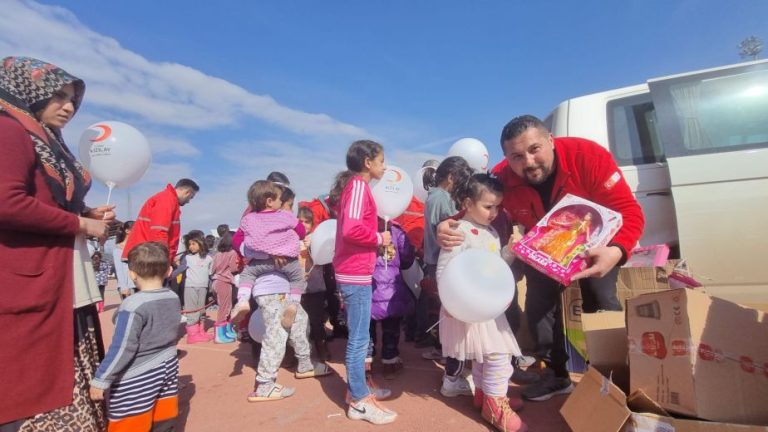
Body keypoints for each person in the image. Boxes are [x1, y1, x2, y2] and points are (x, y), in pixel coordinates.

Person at [438, 115, 644, 402]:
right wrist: (450, 222)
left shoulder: (589, 156)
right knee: (537, 309)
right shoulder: (504, 176)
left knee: (600, 300)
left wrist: (618, 250)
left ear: (551, 140)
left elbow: (630, 211)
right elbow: (478, 202)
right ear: (507, 158)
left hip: (595, 243)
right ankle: (556, 375)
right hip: (545, 247)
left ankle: (615, 377)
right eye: (517, 157)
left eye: (535, 149)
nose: (529, 162)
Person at [0, 56, 114, 431]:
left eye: (73, 101)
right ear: (29, 92)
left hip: (57, 278)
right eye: (58, 96)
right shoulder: (10, 131)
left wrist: (86, 213)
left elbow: (44, 200)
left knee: (61, 373)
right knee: (32, 386)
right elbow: (6, 202)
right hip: (29, 280)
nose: (68, 107)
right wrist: (77, 222)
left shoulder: (46, 140)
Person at [436, 173, 527, 432]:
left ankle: (486, 396)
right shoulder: (457, 232)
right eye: (488, 206)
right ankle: (496, 405)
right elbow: (444, 269)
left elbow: (496, 265)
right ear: (467, 203)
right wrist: (450, 302)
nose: (494, 212)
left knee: (485, 355)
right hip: (466, 306)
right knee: (498, 353)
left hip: (487, 305)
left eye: (498, 206)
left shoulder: (490, 233)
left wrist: (510, 250)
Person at [333, 140, 397, 425]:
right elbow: (352, 229)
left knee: (361, 336)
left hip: (356, 270)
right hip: (354, 272)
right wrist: (379, 239)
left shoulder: (355, 187)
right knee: (359, 338)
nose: (385, 166)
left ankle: (358, 391)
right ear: (368, 162)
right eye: (382, 160)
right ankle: (358, 399)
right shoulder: (358, 187)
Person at [89, 242, 181, 432]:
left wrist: (101, 378)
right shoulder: (172, 297)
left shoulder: (132, 305)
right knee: (163, 420)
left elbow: (123, 347)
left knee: (130, 423)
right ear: (168, 270)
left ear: (132, 274)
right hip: (168, 366)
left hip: (138, 375)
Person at [422, 156, 476, 397]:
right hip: (442, 264)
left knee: (448, 316)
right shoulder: (441, 198)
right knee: (455, 318)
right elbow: (445, 231)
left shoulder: (435, 196)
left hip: (436, 263)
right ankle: (453, 374)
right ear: (451, 177)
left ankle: (451, 366)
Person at [246, 272, 332, 402]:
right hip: (271, 290)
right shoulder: (264, 254)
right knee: (275, 336)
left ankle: (305, 364)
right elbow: (250, 266)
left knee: (300, 320)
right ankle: (265, 384)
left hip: (285, 290)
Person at [231, 180, 307, 328]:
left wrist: (261, 251)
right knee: (298, 279)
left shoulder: (249, 219)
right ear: (270, 201)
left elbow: (239, 240)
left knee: (246, 276)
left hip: (258, 264)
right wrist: (276, 249)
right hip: (288, 263)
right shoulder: (285, 216)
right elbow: (301, 232)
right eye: (282, 201)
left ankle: (242, 300)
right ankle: (294, 304)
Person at [368, 218, 416, 379]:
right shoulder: (397, 231)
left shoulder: (365, 227)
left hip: (369, 285)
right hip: (391, 288)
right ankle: (389, 362)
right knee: (391, 327)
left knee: (367, 328)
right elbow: (408, 258)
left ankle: (366, 362)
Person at [121, 178, 199, 263]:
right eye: (191, 197)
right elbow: (158, 231)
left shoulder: (167, 199)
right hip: (148, 257)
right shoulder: (167, 200)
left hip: (146, 254)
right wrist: (163, 259)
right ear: (187, 192)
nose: (189, 201)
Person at [297, 206, 331, 361]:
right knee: (298, 324)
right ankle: (300, 354)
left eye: (307, 222)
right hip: (297, 289)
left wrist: (312, 245)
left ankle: (321, 347)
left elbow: (324, 257)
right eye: (300, 221)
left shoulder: (316, 238)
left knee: (316, 321)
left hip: (315, 287)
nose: (304, 224)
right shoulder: (291, 239)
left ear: (312, 223)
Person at [182, 234, 214, 344]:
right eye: (189, 244)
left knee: (201, 310)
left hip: (203, 287)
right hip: (190, 287)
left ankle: (201, 332)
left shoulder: (209, 258)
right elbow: (180, 269)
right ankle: (192, 335)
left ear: (201, 244)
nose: (191, 246)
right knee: (192, 310)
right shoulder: (187, 258)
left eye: (193, 244)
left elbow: (211, 273)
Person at [211, 232, 241, 343]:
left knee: (224, 306)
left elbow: (213, 269)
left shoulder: (217, 254)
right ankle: (219, 336)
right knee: (225, 308)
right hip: (225, 281)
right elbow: (233, 268)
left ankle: (226, 331)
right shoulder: (233, 253)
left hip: (216, 281)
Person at [113, 221, 137, 299]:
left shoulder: (138, 247)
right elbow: (119, 269)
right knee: (128, 310)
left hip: (139, 284)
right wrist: (124, 287)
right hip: (128, 286)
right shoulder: (118, 248)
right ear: (127, 231)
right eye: (136, 229)